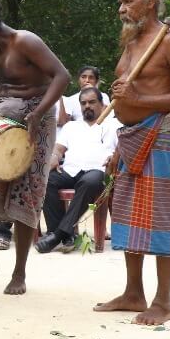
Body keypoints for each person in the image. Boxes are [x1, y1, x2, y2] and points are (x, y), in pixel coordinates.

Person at [94, 0, 170, 325]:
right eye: (120, 2)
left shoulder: (169, 41)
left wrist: (143, 97)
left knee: (158, 216)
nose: (121, 8)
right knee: (127, 213)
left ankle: (163, 302)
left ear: (151, 1)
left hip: (161, 135)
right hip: (130, 137)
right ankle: (133, 292)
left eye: (128, 1)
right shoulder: (132, 41)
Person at [0, 0, 69, 295]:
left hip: (37, 119)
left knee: (27, 190)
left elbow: (62, 76)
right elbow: (7, 85)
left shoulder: (26, 41)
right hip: (2, 118)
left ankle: (19, 272)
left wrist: (37, 112)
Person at [36, 87, 119, 252]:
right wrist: (53, 158)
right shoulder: (71, 126)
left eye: (92, 102)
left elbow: (122, 151)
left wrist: (114, 159)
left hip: (98, 172)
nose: (87, 106)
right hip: (70, 171)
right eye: (83, 103)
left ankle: (57, 235)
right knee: (47, 179)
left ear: (103, 105)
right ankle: (65, 234)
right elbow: (58, 150)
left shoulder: (115, 124)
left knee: (90, 181)